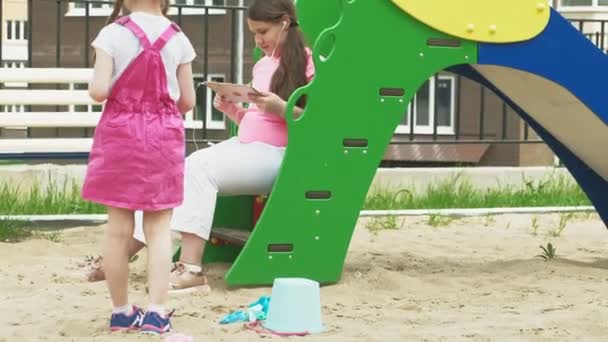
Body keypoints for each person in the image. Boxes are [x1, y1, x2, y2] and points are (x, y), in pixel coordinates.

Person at [85, 0, 314, 295]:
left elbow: (314, 122)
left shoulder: (305, 62)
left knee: (199, 167)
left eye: (263, 32)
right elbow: (257, 121)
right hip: (250, 148)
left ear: (284, 22)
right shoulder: (263, 65)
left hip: (279, 155)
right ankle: (121, 253)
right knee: (181, 172)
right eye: (254, 33)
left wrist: (281, 107)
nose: (259, 40)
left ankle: (191, 269)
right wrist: (233, 110)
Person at [82, 0, 196, 335]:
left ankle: (121, 312)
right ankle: (157, 313)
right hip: (162, 137)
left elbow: (99, 91)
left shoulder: (112, 34)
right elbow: (187, 101)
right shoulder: (178, 38)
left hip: (120, 135)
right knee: (159, 229)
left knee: (118, 229)